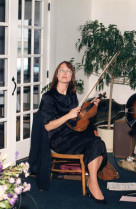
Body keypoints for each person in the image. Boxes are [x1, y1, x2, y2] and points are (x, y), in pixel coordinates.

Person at [39, 61, 108, 203]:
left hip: (74, 134)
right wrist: (68, 116)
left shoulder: (72, 95)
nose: (65, 73)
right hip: (59, 139)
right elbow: (47, 126)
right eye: (61, 70)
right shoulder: (48, 97)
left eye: (68, 71)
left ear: (72, 76)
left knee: (98, 143)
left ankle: (92, 180)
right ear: (57, 75)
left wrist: (90, 107)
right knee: (95, 143)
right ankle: (93, 184)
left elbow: (77, 120)